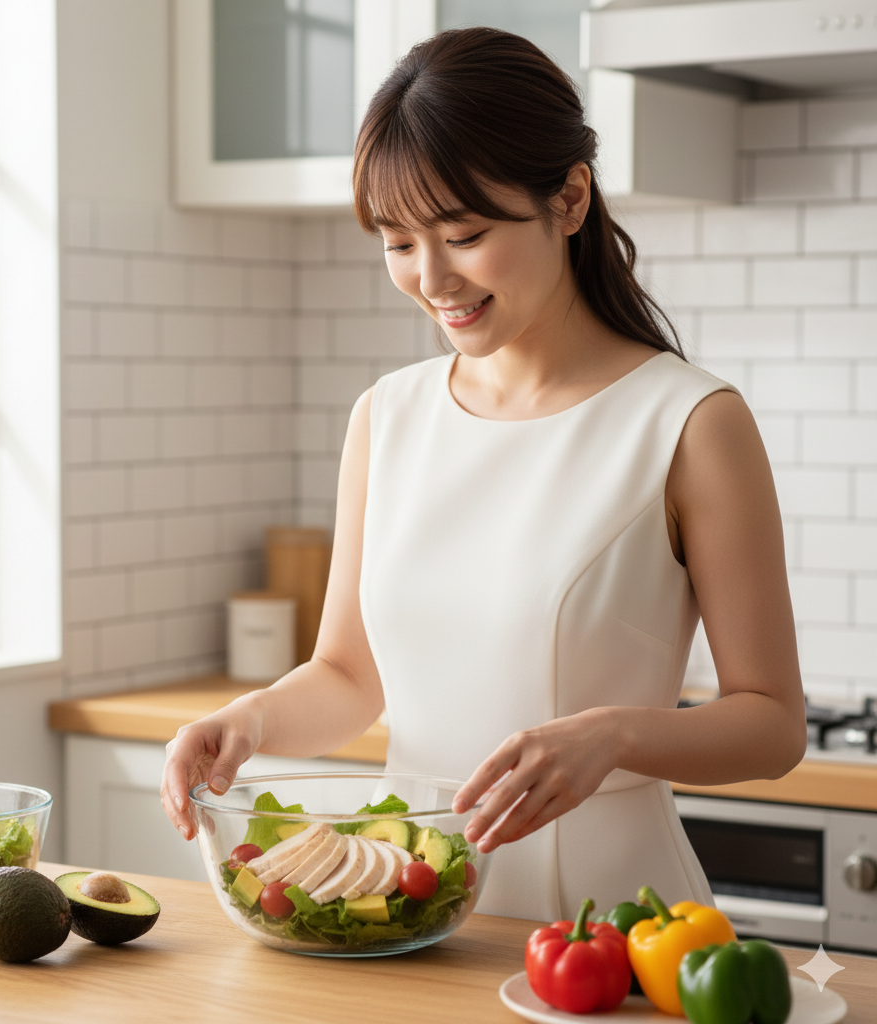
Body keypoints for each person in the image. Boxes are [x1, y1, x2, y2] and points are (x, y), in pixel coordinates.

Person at [161, 27, 806, 921]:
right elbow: (350, 676)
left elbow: (772, 723)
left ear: (570, 198)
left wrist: (615, 734)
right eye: (397, 242)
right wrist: (252, 721)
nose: (431, 278)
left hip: (608, 925)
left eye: (463, 234)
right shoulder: (386, 417)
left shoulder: (691, 423)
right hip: (414, 916)